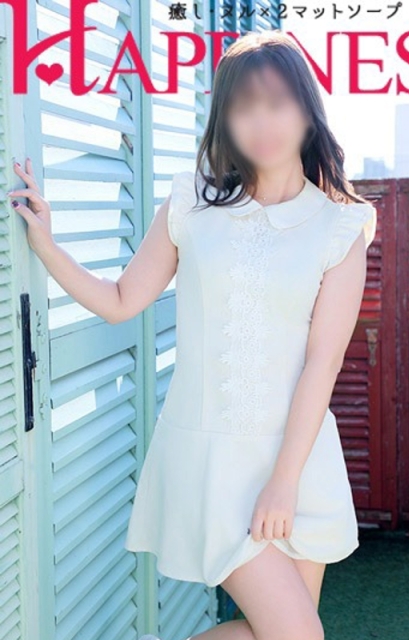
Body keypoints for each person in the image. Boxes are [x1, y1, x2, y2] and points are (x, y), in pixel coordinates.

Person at [8, 30, 376, 640]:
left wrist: (284, 482)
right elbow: (122, 301)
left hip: (300, 462)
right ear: (224, 119)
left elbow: (323, 362)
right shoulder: (192, 205)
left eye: (278, 102)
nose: (262, 121)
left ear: (308, 113)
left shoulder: (341, 226)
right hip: (212, 463)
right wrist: (47, 246)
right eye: (244, 105)